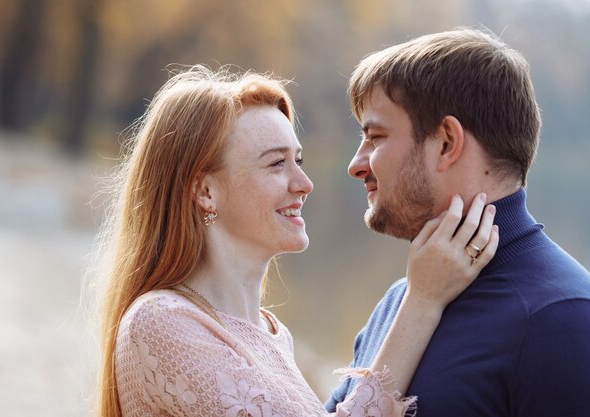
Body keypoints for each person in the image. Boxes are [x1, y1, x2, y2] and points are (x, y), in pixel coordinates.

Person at [92, 66, 499, 417]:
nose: (304, 184)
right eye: (276, 164)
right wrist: (423, 300)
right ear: (205, 192)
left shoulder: (272, 334)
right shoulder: (163, 322)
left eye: (298, 161)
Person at [326, 28, 590, 416]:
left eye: (375, 136)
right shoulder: (400, 302)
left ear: (447, 142)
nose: (356, 164)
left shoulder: (563, 319)